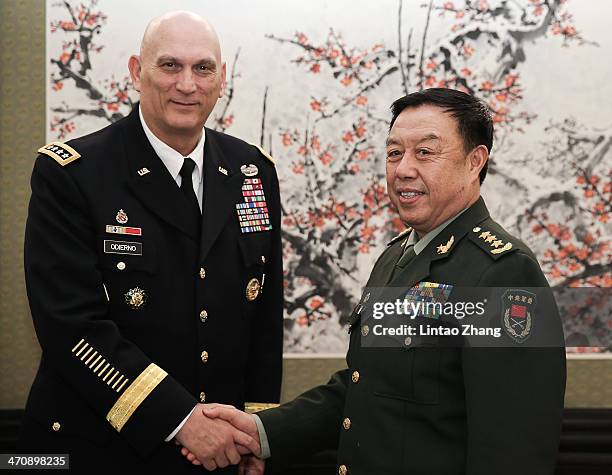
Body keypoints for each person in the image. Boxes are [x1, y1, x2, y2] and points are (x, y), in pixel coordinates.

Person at [184, 88, 566, 474]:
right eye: (394, 152)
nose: (403, 169)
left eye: (426, 152)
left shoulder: (504, 273)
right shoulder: (396, 258)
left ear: (474, 162)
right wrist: (261, 432)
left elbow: (514, 452)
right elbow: (364, 390)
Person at [19, 11, 283, 473]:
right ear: (136, 71)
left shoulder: (251, 170)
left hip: (220, 454)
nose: (187, 84)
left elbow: (262, 317)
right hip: (95, 450)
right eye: (169, 66)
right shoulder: (74, 174)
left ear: (221, 79)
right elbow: (70, 326)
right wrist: (180, 420)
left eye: (203, 68)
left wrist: (255, 432)